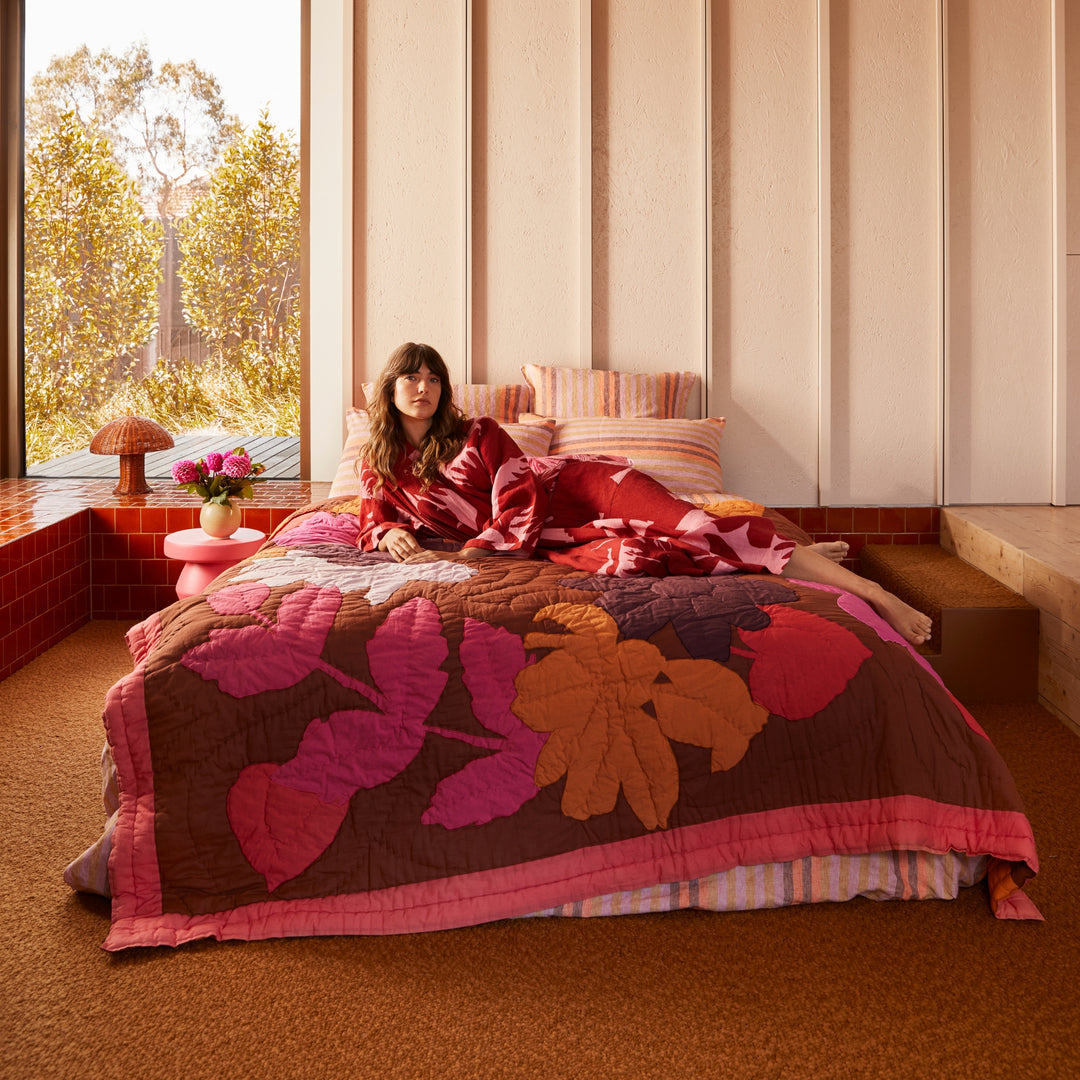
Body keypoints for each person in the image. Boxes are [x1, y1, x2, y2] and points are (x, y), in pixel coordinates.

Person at [355, 342, 932, 646]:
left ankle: (873, 592)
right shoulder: (379, 463)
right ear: (390, 387)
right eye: (412, 377)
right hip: (558, 537)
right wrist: (391, 532)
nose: (424, 387)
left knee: (699, 528)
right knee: (674, 554)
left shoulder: (479, 433)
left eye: (433, 378)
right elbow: (370, 519)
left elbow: (520, 496)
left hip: (583, 490)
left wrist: (478, 551)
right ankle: (793, 554)